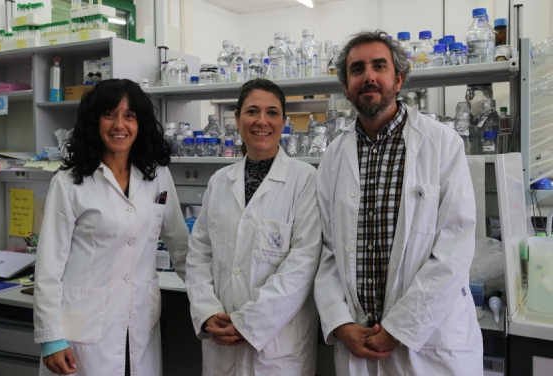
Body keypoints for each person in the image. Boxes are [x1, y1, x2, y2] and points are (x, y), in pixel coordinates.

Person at [314, 30, 483, 375]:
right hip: (357, 344)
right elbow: (326, 252)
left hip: (428, 346)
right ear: (345, 86)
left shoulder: (442, 144)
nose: (369, 77)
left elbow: (454, 249)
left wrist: (398, 329)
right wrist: (340, 323)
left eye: (380, 66)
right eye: (357, 69)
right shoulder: (333, 158)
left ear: (399, 78)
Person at [33, 79, 189, 376]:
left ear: (140, 123)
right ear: (95, 122)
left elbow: (181, 247)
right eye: (110, 114)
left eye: (129, 116)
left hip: (139, 321)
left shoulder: (158, 177)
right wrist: (51, 338)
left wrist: (209, 302)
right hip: (84, 331)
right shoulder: (69, 183)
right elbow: (48, 268)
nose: (120, 125)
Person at [185, 78, 322, 375]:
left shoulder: (305, 180)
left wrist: (248, 323)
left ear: (284, 121)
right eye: (252, 111)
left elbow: (303, 264)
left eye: (272, 113)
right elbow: (199, 255)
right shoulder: (220, 181)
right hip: (220, 339)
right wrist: (208, 313)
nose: (262, 121)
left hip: (277, 348)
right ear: (236, 118)